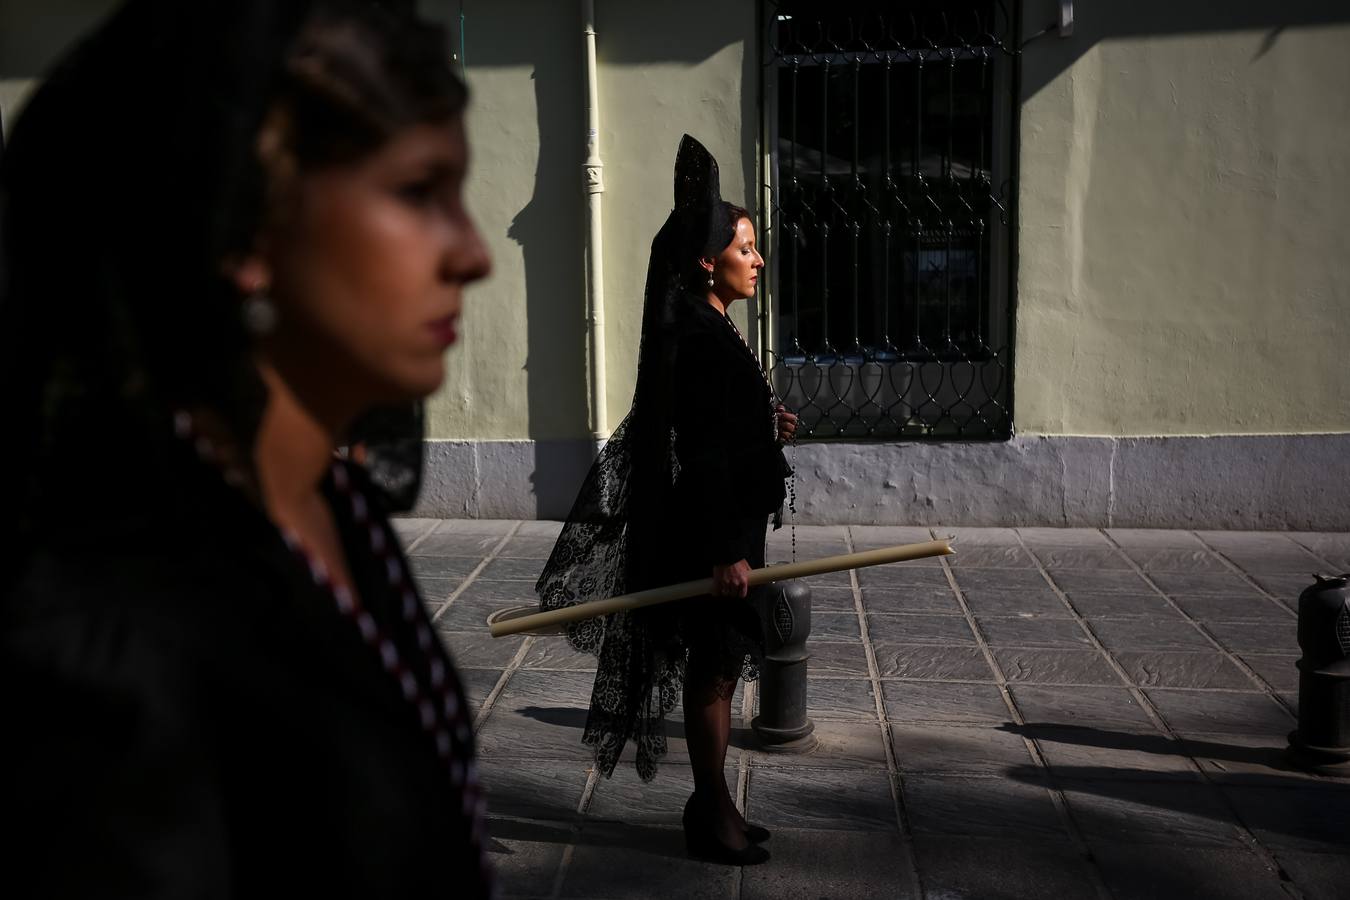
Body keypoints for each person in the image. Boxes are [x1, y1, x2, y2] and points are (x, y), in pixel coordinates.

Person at [0, 1, 493, 896]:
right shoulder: (117, 632)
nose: (473, 252)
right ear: (249, 225)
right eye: (420, 192)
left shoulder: (332, 503)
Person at [537, 135, 796, 866]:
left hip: (729, 526)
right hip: (718, 536)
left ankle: (714, 803)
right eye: (746, 248)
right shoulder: (705, 337)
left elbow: (716, 428)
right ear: (710, 260)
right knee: (714, 673)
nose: (758, 260)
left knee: (717, 665)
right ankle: (711, 813)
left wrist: (765, 423)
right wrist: (726, 554)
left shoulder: (709, 325)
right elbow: (705, 454)